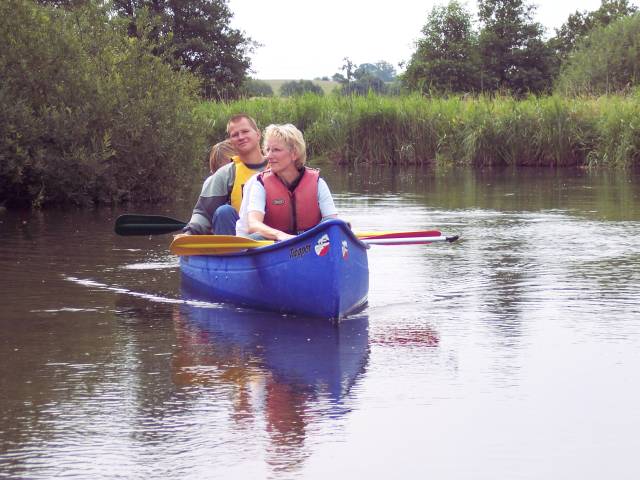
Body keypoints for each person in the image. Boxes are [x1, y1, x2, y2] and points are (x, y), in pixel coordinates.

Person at [236, 123, 337, 241]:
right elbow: (253, 224)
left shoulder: (318, 183)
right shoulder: (260, 184)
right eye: (267, 150)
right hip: (275, 245)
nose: (268, 156)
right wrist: (279, 235)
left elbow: (332, 221)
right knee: (256, 236)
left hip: (311, 246)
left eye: (276, 150)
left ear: (294, 154)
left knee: (333, 225)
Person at [180, 114, 268, 236]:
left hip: (276, 238)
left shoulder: (278, 165)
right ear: (231, 141)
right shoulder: (225, 174)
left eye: (245, 131)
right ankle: (230, 254)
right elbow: (203, 212)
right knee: (223, 212)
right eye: (235, 135)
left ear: (258, 134)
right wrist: (189, 233)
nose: (241, 137)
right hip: (240, 241)